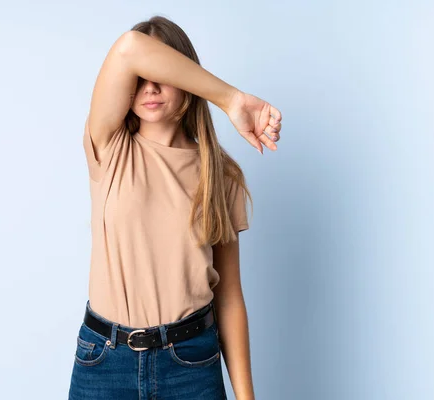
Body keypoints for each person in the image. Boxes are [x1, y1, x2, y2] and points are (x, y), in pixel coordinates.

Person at [68, 15, 282, 400]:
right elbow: (129, 48)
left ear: (186, 80)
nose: (149, 86)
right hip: (105, 363)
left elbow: (230, 294)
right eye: (140, 77)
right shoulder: (109, 147)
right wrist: (232, 100)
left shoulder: (221, 174)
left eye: (163, 73)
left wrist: (247, 397)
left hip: (191, 364)